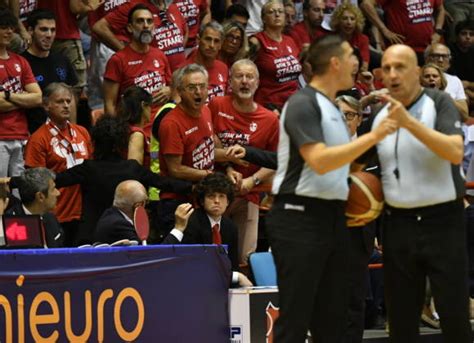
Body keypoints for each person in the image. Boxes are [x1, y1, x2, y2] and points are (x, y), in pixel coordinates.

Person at [266, 35, 397, 342]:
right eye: (352, 56)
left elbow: (346, 167)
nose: (358, 62)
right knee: (296, 318)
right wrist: (376, 135)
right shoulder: (303, 103)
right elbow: (320, 160)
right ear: (335, 63)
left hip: (333, 218)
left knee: (333, 318)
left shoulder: (334, 109)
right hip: (298, 216)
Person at [367, 44, 471, 342]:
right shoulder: (377, 116)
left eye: (400, 67)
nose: (392, 74)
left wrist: (408, 122)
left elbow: (453, 151)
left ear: (416, 72)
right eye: (386, 68)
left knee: (454, 316)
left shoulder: (439, 102)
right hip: (397, 222)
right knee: (400, 320)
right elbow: (361, 165)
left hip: (442, 220)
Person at [49, 115, 192, 246]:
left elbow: (56, 180)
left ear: (96, 142)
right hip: (126, 234)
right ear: (123, 142)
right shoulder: (132, 168)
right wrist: (193, 188)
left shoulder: (88, 168)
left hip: (90, 236)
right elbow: (164, 183)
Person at [209, 59, 279, 264]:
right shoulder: (216, 106)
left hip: (248, 194)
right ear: (230, 81)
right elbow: (208, 144)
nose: (245, 81)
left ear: (258, 83)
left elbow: (275, 161)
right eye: (239, 76)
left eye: (250, 77)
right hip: (214, 191)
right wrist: (228, 166)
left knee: (245, 258)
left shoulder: (269, 119)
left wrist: (253, 181)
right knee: (211, 255)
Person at [24, 82, 92, 247]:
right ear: (46, 105)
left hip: (84, 214)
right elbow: (36, 183)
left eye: (68, 101)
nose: (66, 105)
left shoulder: (82, 132)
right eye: (60, 102)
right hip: (56, 215)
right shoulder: (38, 139)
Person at [180, 173, 253, 287]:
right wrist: (237, 276)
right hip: (194, 283)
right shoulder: (192, 222)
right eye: (211, 196)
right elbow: (194, 265)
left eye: (222, 196)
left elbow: (232, 264)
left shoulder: (230, 227)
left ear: (228, 201)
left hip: (222, 284)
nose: (217, 201)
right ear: (202, 201)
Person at [103, 4, 171, 116]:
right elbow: (110, 104)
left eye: (149, 21)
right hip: (136, 127)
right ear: (130, 27)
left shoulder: (160, 55)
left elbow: (172, 87)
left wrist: (170, 90)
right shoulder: (117, 60)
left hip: (163, 122)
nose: (146, 25)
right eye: (140, 21)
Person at [0, 8, 42, 179]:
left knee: (20, 190)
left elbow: (38, 98)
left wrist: (8, 96)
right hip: (0, 137)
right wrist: (23, 97)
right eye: (3, 27)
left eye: (11, 27)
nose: (9, 31)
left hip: (22, 134)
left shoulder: (20, 61)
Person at [22, 8, 78, 133]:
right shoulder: (21, 63)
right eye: (43, 29)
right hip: (33, 132)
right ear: (30, 30)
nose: (49, 35)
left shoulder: (62, 60)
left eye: (53, 30)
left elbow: (71, 98)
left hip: (62, 132)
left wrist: (73, 132)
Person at [92, 0, 187, 71]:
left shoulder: (172, 6)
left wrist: (177, 49)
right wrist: (128, 55)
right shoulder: (135, 6)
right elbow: (100, 27)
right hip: (152, 73)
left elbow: (185, 30)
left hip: (180, 73)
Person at [95, 180, 189, 245]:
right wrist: (178, 228)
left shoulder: (111, 214)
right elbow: (151, 257)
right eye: (146, 202)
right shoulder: (118, 225)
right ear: (138, 205)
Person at [249, 0, 302, 112]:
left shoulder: (290, 41)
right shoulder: (256, 41)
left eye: (280, 11)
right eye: (271, 12)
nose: (277, 15)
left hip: (292, 104)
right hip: (268, 105)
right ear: (263, 18)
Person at [360, 0, 445, 64]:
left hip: (427, 49)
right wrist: (384, 30)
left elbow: (441, 9)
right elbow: (366, 4)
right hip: (400, 50)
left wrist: (438, 31)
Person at [5, 167, 64, 248]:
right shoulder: (12, 225)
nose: (58, 193)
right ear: (40, 196)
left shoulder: (50, 218)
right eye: (53, 189)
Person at [185, 21, 229, 101]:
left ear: (221, 45)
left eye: (216, 41)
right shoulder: (184, 70)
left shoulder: (223, 68)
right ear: (198, 40)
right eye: (208, 39)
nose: (212, 45)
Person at [425, 42, 469, 119]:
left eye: (445, 56)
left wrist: (444, 96)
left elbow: (464, 116)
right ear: (427, 58)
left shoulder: (455, 81)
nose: (441, 60)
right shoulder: (416, 78)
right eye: (436, 56)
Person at [117, 86, 153, 168]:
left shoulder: (124, 127)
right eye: (150, 105)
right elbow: (134, 170)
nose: (151, 109)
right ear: (143, 105)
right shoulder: (136, 134)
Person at [330, 2, 370, 71]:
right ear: (338, 21)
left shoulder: (363, 39)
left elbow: (364, 66)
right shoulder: (330, 39)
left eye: (352, 19)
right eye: (345, 18)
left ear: (357, 22)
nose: (349, 22)